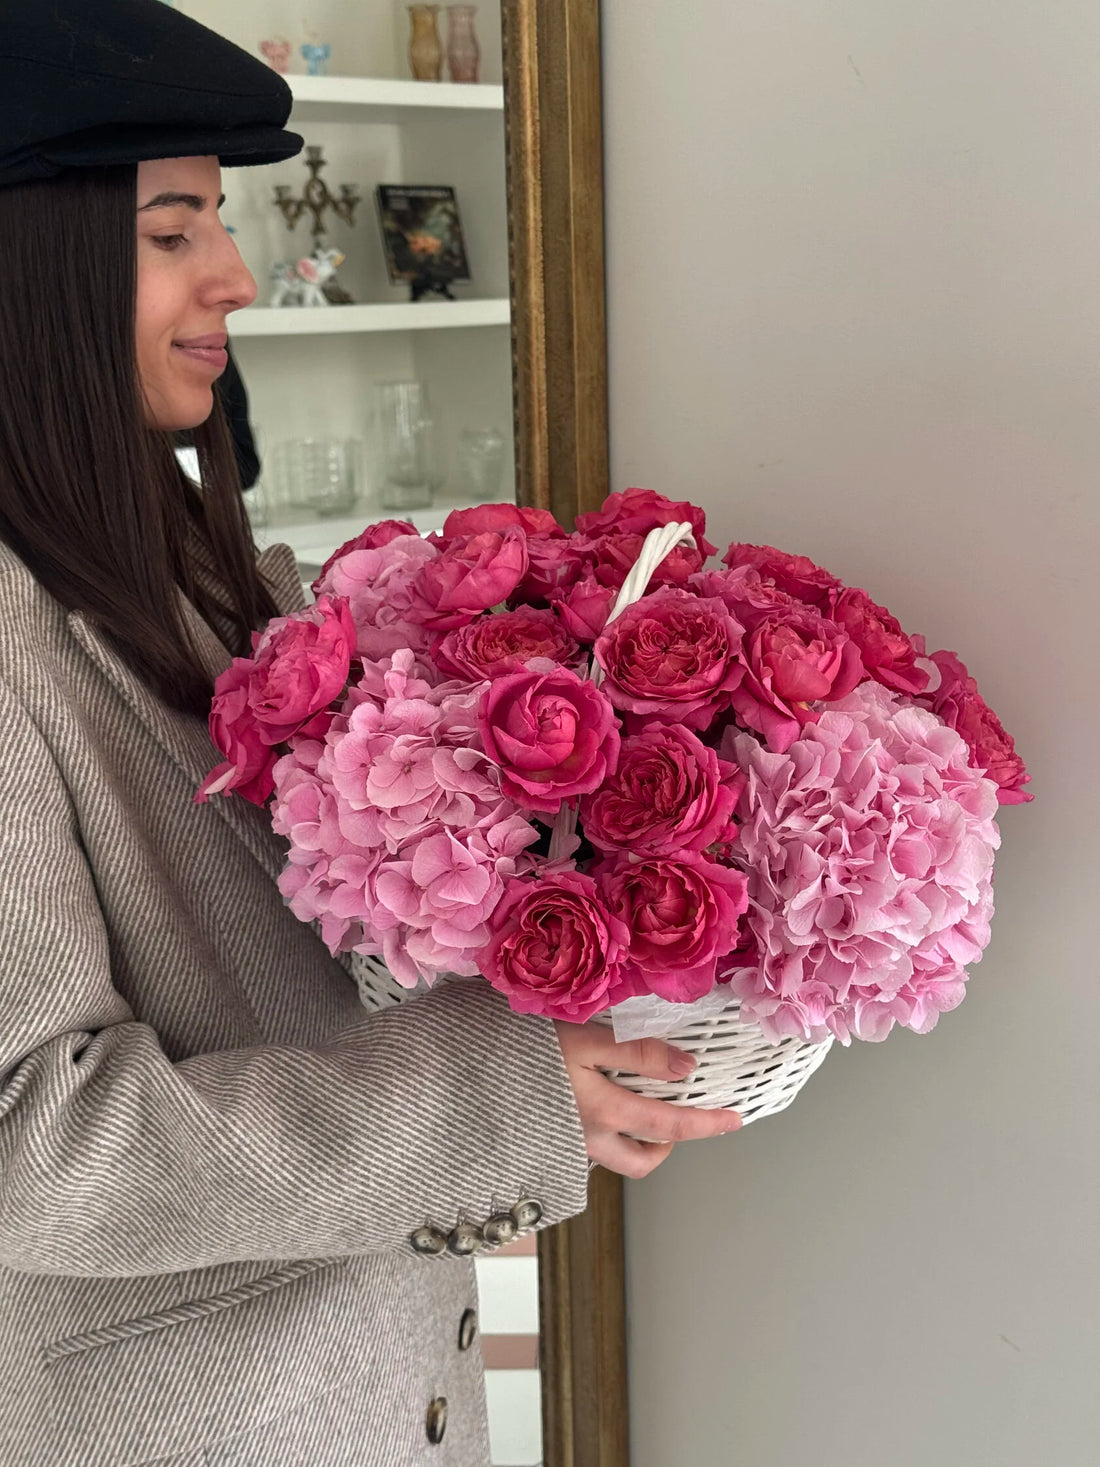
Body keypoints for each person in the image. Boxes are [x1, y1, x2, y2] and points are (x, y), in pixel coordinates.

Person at [0, 5, 741, 1464]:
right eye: (172, 232)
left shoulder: (196, 566)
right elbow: (33, 1143)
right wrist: (493, 1095)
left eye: (219, 222)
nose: (237, 275)